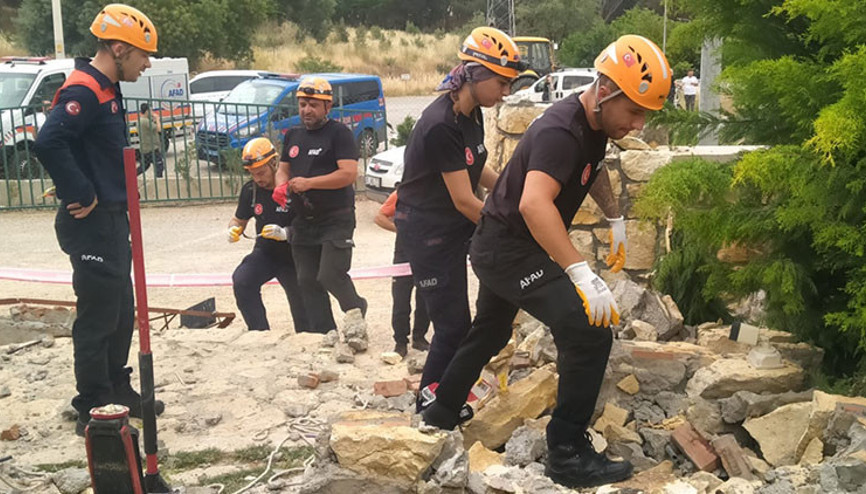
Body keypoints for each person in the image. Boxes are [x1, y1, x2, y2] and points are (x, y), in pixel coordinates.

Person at [420, 35, 672, 489]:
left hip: (504, 245)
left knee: (491, 331)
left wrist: (614, 217)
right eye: (634, 111)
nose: (637, 125)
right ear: (608, 91)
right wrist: (580, 272)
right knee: (589, 330)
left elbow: (592, 170)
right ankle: (567, 453)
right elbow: (536, 206)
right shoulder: (561, 130)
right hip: (508, 248)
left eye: (645, 115)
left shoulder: (594, 125)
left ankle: (439, 413)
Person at [33, 3, 164, 437]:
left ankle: (116, 388)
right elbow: (49, 142)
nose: (147, 65)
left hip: (111, 219)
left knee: (121, 309)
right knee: (97, 315)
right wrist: (82, 192)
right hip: (90, 223)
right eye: (143, 55)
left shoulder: (109, 88)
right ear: (118, 47)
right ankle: (91, 403)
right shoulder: (85, 89)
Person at [395, 26, 523, 403]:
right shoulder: (440, 125)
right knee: (452, 327)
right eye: (502, 84)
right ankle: (430, 402)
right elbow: (465, 201)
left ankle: (452, 390)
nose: (505, 93)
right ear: (476, 74)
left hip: (451, 225)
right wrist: (510, 224)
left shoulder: (471, 114)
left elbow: (476, 166)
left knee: (468, 322)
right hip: (428, 231)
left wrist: (510, 191)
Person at [272, 77, 363, 337]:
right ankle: (325, 333)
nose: (306, 110)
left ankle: (356, 311)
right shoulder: (293, 135)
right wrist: (281, 186)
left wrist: (310, 183)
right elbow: (283, 170)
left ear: (327, 106)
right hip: (304, 219)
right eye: (302, 104)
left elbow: (348, 174)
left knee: (330, 275)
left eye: (313, 104)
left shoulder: (339, 134)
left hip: (336, 217)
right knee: (307, 280)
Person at [229, 137, 329, 332]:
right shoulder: (251, 190)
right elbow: (238, 219)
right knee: (242, 280)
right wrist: (233, 229)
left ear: (274, 163)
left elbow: (314, 224)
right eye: (252, 173)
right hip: (266, 252)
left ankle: (307, 338)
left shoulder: (293, 188)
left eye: (261, 172)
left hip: (296, 255)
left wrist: (286, 233)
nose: (258, 178)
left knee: (303, 308)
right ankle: (259, 332)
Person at [374, 190, 430, 357]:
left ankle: (419, 338)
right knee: (401, 299)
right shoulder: (402, 193)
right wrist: (400, 230)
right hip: (404, 253)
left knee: (425, 298)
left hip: (429, 253)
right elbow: (379, 217)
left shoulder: (438, 190)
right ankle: (400, 341)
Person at [136, 102, 165, 177]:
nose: (152, 112)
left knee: (144, 166)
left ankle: (131, 177)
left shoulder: (139, 121)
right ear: (146, 111)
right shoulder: (145, 121)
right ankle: (158, 181)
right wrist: (157, 118)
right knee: (159, 166)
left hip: (145, 148)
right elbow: (159, 129)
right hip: (151, 148)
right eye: (150, 111)